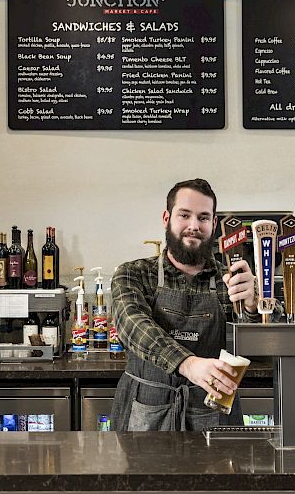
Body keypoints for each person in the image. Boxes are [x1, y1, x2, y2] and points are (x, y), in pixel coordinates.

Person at [110, 178, 264, 431]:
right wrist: (189, 364)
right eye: (184, 215)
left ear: (213, 224)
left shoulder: (231, 281)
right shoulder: (133, 274)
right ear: (166, 218)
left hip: (214, 413)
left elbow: (258, 350)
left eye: (203, 217)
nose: (194, 226)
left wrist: (253, 308)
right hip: (145, 412)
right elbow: (133, 325)